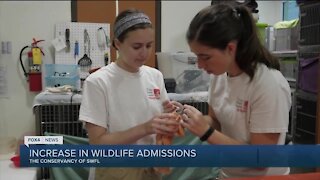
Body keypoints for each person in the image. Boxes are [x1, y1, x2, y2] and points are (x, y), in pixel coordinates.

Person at [165, 3, 292, 178]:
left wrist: (206, 132)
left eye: (206, 57)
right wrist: (190, 119)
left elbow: (260, 160)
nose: (200, 65)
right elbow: (217, 121)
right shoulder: (219, 76)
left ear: (231, 48)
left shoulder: (268, 84)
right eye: (197, 57)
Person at [79, 9, 180, 180]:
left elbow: (161, 127)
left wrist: (172, 116)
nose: (144, 53)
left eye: (149, 45)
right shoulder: (98, 82)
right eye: (136, 46)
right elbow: (98, 143)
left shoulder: (155, 76)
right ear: (118, 44)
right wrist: (145, 128)